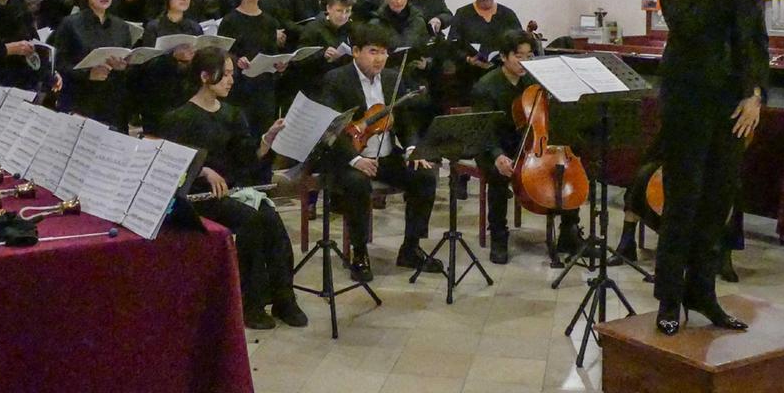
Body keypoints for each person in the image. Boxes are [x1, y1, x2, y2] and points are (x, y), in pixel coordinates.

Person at [651, 0, 768, 336]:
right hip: (688, 95)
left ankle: (704, 292)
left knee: (719, 199)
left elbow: (754, 36)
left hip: (733, 102)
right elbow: (685, 23)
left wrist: (755, 93)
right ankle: (668, 298)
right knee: (683, 199)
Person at [150, 48, 307, 330]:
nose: (231, 80)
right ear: (205, 76)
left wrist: (266, 141)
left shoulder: (234, 114)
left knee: (273, 222)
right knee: (252, 221)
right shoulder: (178, 118)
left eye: (233, 74)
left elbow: (245, 160)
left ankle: (284, 297)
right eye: (226, 74)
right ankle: (251, 303)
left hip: (230, 191)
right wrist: (203, 170)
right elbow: (173, 163)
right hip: (197, 198)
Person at [321, 23, 442, 282]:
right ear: (356, 52)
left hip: (387, 155)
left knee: (425, 176)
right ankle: (360, 253)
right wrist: (355, 159)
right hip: (349, 158)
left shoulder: (390, 78)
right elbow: (331, 129)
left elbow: (406, 119)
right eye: (373, 51)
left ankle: (410, 247)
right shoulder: (336, 80)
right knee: (357, 184)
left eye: (384, 52)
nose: (380, 58)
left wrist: (412, 148)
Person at [470, 30, 583, 263]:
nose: (524, 63)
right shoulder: (485, 87)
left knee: (563, 170)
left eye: (529, 57)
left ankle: (569, 232)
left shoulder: (533, 82)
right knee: (499, 176)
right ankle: (499, 235)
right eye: (518, 56)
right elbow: (483, 130)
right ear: (503, 57)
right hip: (496, 146)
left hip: (531, 142)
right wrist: (497, 155)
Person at [50, 0, 133, 132]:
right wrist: (88, 74)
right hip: (80, 100)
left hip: (112, 102)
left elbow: (128, 65)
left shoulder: (121, 26)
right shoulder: (71, 24)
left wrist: (123, 67)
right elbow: (59, 65)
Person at [219, 0, 288, 141]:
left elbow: (271, 53)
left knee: (264, 135)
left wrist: (280, 65)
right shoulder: (230, 21)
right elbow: (222, 54)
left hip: (264, 88)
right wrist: (235, 60)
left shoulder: (270, 22)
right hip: (239, 87)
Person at [136, 0, 205, 128]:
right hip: (159, 95)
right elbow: (147, 65)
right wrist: (172, 57)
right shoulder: (154, 27)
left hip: (187, 94)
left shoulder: (194, 27)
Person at [448, 0, 523, 95]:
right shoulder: (463, 14)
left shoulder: (507, 14)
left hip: (504, 73)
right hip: (472, 74)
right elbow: (452, 45)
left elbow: (520, 42)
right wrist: (468, 59)